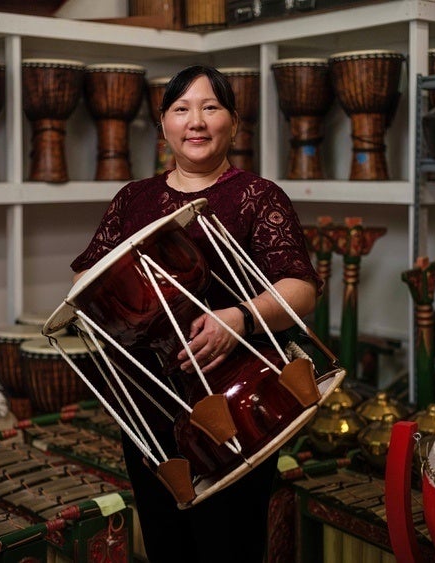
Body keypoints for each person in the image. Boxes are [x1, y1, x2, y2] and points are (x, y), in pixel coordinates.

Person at [69, 64, 321, 563]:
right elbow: (83, 282)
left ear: (233, 122)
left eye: (210, 107)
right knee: (167, 540)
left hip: (240, 399)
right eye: (181, 109)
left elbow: (302, 289)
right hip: (149, 404)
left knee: (229, 542)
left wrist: (240, 318)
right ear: (163, 125)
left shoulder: (258, 196)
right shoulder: (133, 200)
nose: (196, 121)